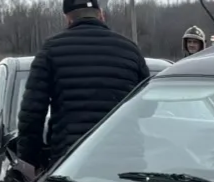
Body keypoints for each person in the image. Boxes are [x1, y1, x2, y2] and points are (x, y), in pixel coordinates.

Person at [17, 0, 150, 171]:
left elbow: (32, 114)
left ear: (68, 18)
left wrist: (29, 161)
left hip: (72, 162)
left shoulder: (51, 50)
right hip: (124, 162)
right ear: (101, 15)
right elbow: (146, 108)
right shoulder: (130, 50)